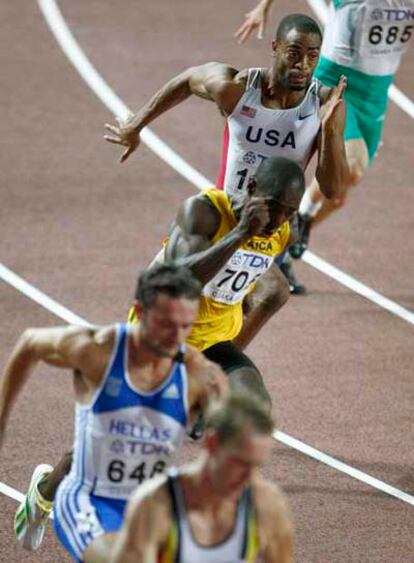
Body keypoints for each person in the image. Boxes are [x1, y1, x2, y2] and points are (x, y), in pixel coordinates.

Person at [104, 13, 348, 294]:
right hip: (222, 214)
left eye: (312, 56)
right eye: (294, 53)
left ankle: (229, 339)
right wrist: (137, 124)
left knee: (272, 295)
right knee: (168, 290)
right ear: (275, 47)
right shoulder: (240, 89)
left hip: (270, 228)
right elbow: (188, 79)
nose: (303, 65)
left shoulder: (325, 105)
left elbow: (332, 189)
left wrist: (328, 128)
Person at [0, 264, 227, 560]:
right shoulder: (99, 350)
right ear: (140, 311)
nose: (176, 337)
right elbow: (30, 342)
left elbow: (229, 432)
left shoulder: (199, 374)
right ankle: (46, 494)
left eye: (186, 326)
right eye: (166, 324)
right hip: (88, 499)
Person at [236, 0, 414, 277]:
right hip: (337, 81)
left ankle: (299, 225)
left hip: (376, 94)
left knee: (341, 193)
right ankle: (279, 239)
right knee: (350, 170)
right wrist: (264, 7)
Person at [129, 156, 305, 410]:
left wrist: (244, 293)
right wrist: (240, 234)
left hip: (213, 343)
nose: (278, 219)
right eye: (273, 206)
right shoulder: (202, 213)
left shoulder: (284, 231)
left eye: (289, 212)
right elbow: (178, 282)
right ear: (252, 187)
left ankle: (200, 400)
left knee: (255, 409)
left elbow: (249, 269)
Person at [83, 390, 293, 563]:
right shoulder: (155, 504)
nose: (249, 477)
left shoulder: (267, 506)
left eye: (257, 465)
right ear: (212, 444)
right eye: (240, 463)